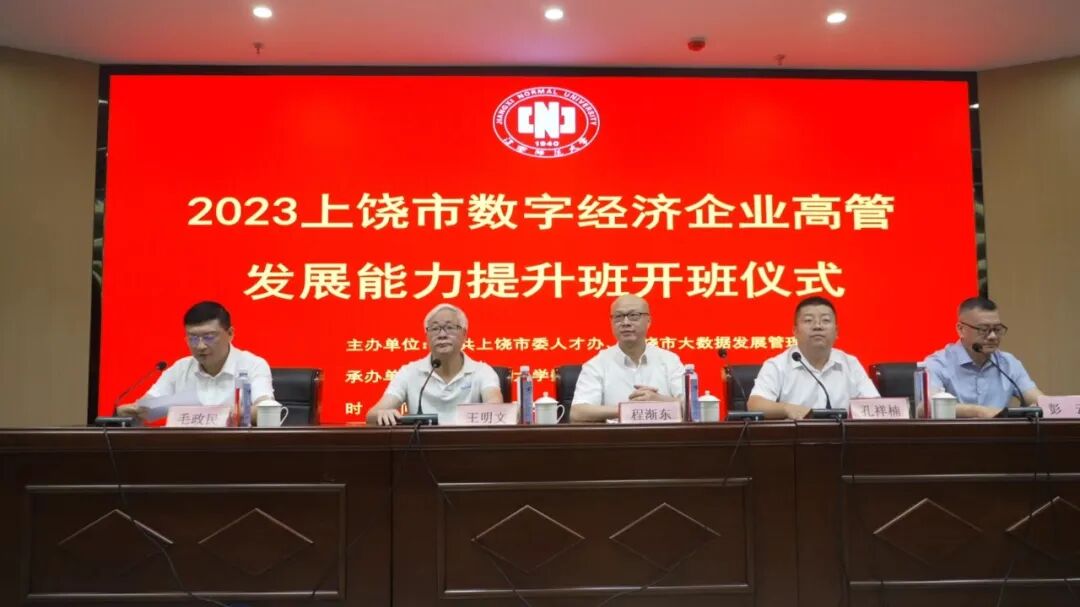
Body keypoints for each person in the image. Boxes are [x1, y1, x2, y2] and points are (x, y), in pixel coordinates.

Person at [117, 301, 274, 419]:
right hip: (186, 448)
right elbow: (151, 402)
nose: (200, 346)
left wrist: (224, 414)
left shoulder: (253, 364)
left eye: (209, 337)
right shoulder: (179, 369)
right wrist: (136, 409)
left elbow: (266, 410)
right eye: (192, 338)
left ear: (230, 334)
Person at [366, 303, 503, 426]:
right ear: (426, 335)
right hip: (421, 445)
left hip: (469, 444)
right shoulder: (409, 372)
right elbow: (372, 414)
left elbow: (495, 407)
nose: (442, 334)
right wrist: (382, 414)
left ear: (464, 334)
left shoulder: (482, 371)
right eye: (435, 328)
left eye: (449, 327)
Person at [748, 296, 879, 419]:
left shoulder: (850, 363)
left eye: (825, 320)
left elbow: (875, 406)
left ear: (836, 331)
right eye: (808, 320)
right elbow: (755, 405)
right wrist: (788, 409)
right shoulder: (777, 365)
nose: (818, 326)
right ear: (795, 331)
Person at [569, 294, 684, 422]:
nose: (625, 323)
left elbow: (691, 407)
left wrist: (659, 400)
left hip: (663, 434)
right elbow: (577, 412)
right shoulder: (597, 364)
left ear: (648, 321)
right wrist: (629, 410)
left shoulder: (670, 360)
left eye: (634, 315)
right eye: (618, 317)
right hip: (617, 434)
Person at [923, 296, 1044, 418]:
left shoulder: (1008, 363)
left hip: (1000, 431)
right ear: (961, 329)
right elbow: (926, 408)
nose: (992, 336)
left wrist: (1044, 406)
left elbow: (1037, 400)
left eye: (997, 329)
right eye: (983, 329)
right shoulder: (938, 363)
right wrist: (979, 412)